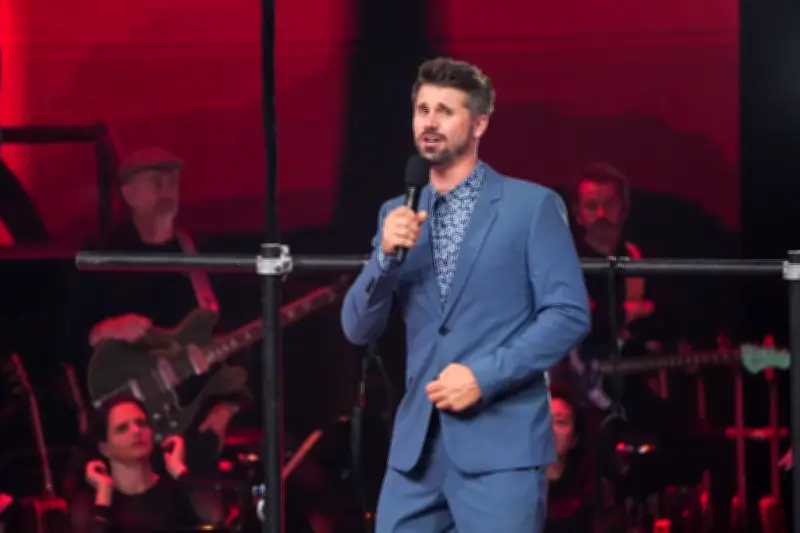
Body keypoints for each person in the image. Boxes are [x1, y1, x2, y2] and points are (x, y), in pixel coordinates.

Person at [340, 57, 591, 533]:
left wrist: (484, 376)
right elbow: (357, 328)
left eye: (445, 111)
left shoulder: (530, 206)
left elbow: (568, 314)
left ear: (479, 123)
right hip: (416, 453)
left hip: (501, 449)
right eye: (422, 110)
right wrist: (383, 260)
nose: (429, 122)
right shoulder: (396, 212)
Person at [67, 147, 250, 525]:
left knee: (211, 515)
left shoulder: (194, 253)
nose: (168, 189)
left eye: (173, 181)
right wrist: (104, 329)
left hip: (188, 421)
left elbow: (229, 341)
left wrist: (225, 409)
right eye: (156, 181)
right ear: (128, 193)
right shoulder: (101, 254)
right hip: (120, 421)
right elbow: (60, 335)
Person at [66, 395, 200, 533]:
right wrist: (104, 494)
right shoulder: (90, 500)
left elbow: (210, 517)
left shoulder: (174, 487)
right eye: (122, 428)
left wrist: (180, 471)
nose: (136, 431)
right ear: (104, 448)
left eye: (141, 423)